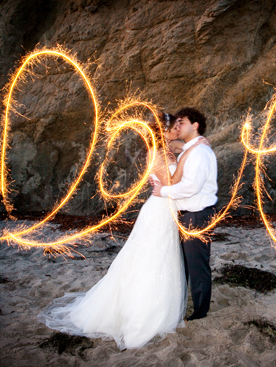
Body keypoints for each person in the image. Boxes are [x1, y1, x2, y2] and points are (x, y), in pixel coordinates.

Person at [37, 112, 205, 350]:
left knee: (164, 260)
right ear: (163, 131)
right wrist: (187, 160)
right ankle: (143, 313)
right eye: (174, 127)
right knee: (153, 260)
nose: (179, 129)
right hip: (159, 212)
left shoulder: (168, 149)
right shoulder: (156, 154)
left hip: (167, 211)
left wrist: (190, 147)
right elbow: (170, 185)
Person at [151, 107, 218, 321]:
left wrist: (163, 191)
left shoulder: (199, 151)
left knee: (197, 264)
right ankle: (180, 305)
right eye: (175, 124)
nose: (177, 127)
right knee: (183, 264)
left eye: (182, 122)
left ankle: (200, 312)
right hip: (182, 214)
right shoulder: (189, 149)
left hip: (196, 214)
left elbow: (191, 187)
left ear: (195, 125)